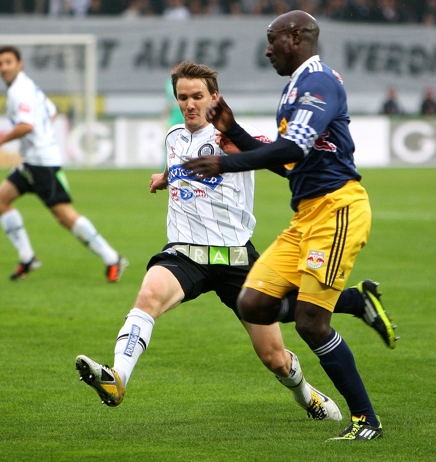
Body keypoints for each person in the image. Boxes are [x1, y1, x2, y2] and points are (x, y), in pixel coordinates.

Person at [76, 60, 396, 424]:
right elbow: (177, 162)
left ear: (215, 97)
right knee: (147, 297)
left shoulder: (236, 138)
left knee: (274, 357)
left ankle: (308, 395)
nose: (190, 104)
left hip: (237, 258)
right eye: (183, 97)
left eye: (198, 96)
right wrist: (163, 178)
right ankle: (117, 378)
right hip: (185, 254)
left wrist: (241, 150)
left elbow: (284, 156)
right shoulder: (174, 137)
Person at [183, 10, 396, 441]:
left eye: (272, 39)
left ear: (295, 37)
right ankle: (356, 303)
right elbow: (291, 164)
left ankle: (365, 421)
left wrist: (223, 161)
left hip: (338, 211)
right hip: (307, 216)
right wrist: (235, 131)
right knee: (252, 303)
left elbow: (293, 147)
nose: (266, 49)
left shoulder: (318, 82)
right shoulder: (296, 87)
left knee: (310, 323)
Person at [0, 46, 127, 282]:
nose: (3, 68)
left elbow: (27, 125)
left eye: (8, 62)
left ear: (19, 64)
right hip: (32, 161)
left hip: (42, 163)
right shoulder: (29, 86)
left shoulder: (19, 91)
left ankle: (112, 258)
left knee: (65, 216)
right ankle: (27, 257)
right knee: (0, 201)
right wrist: (43, 136)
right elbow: (51, 112)